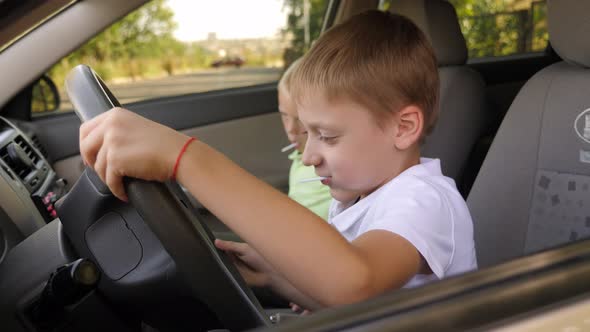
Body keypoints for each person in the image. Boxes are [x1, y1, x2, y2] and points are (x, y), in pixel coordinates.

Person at [79, 10, 477, 312]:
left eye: (327, 136)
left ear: (403, 128)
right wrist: (275, 276)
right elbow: (365, 306)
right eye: (306, 134)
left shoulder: (425, 200)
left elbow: (357, 283)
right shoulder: (361, 199)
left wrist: (186, 158)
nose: (309, 156)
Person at [278, 58, 331, 220]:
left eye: (300, 119)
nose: (290, 129)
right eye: (284, 116)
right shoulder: (299, 156)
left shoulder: (330, 171)